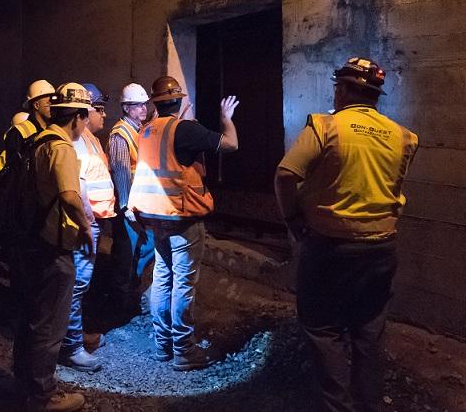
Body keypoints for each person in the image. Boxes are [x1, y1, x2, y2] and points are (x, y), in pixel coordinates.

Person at [274, 57, 418, 412]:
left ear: (341, 90)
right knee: (369, 333)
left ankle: (337, 407)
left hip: (329, 248)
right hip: (381, 250)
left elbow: (285, 174)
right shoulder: (403, 137)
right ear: (374, 96)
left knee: (324, 331)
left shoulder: (326, 127)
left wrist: (293, 219)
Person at [128, 76, 239, 371]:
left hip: (155, 217)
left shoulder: (147, 130)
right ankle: (184, 351)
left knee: (162, 279)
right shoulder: (185, 130)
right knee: (183, 285)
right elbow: (230, 144)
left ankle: (163, 346)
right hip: (182, 217)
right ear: (178, 101)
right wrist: (225, 118)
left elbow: (172, 152)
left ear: (156, 102)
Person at [12, 83, 92, 411]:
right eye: (85, 118)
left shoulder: (37, 141)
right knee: (50, 323)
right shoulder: (62, 148)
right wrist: (86, 228)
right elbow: (70, 196)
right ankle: (42, 396)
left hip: (31, 241)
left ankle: (24, 383)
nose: (85, 125)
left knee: (32, 316)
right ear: (77, 117)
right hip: (53, 247)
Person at [58, 83, 116, 372]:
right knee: (77, 284)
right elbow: (76, 185)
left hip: (92, 222)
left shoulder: (88, 137)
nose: (103, 114)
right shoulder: (77, 142)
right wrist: (86, 220)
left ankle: (75, 337)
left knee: (80, 285)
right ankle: (71, 348)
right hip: (85, 225)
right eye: (98, 108)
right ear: (84, 111)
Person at [107, 82, 156, 318]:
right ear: (126, 108)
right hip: (128, 207)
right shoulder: (120, 134)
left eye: (144, 104)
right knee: (125, 256)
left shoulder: (138, 129)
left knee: (139, 253)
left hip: (139, 206)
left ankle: (129, 299)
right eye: (137, 105)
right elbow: (120, 170)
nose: (143, 109)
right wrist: (125, 205)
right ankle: (118, 306)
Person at [0, 80, 55, 175]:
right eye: (49, 103)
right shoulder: (18, 132)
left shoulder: (51, 130)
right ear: (36, 105)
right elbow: (14, 171)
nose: (53, 106)